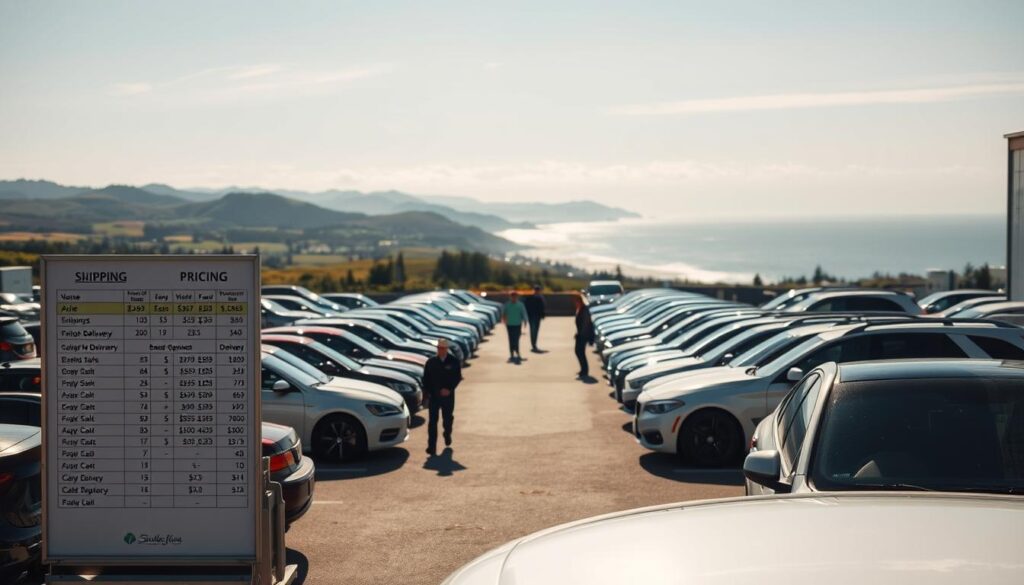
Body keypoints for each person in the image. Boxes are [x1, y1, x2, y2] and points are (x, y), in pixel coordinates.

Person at [423, 338, 462, 455]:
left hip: (448, 397)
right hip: (434, 397)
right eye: (439, 348)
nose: (441, 350)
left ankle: (447, 433)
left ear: (447, 349)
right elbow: (426, 379)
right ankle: (431, 446)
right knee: (432, 422)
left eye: (443, 348)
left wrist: (449, 389)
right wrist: (429, 393)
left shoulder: (453, 361)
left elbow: (457, 377)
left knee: (447, 418)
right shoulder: (431, 362)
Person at [502, 291, 527, 362]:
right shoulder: (507, 305)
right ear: (510, 297)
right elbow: (504, 313)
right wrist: (504, 320)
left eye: (515, 296)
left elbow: (523, 313)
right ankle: (512, 353)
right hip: (509, 324)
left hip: (518, 324)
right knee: (511, 339)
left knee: (516, 339)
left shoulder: (520, 305)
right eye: (512, 296)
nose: (514, 298)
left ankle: (517, 351)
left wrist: (525, 321)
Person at [574, 295, 594, 378]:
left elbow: (585, 324)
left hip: (583, 335)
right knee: (579, 352)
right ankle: (583, 369)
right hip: (580, 334)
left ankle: (584, 370)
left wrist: (581, 334)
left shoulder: (584, 309)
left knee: (580, 352)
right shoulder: (580, 309)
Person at [522, 284, 546, 352]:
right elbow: (526, 306)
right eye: (537, 290)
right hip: (532, 316)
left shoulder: (540, 298)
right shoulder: (531, 297)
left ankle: (534, 344)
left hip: (537, 316)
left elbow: (543, 307)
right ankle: (533, 344)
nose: (537, 291)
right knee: (533, 330)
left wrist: (542, 314)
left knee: (535, 330)